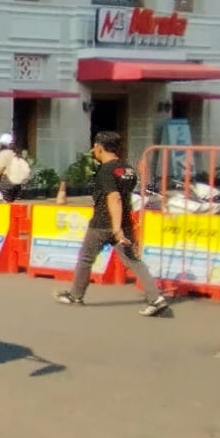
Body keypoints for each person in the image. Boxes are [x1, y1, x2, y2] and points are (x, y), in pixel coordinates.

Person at [55, 131, 169, 316]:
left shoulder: (106, 170)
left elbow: (114, 198)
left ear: (99, 147)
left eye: (95, 147)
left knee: (85, 258)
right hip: (124, 222)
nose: (93, 150)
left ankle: (76, 295)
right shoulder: (128, 170)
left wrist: (115, 229)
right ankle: (155, 298)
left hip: (103, 223)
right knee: (133, 261)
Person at [0, 133, 31, 202]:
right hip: (17, 185)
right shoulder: (16, 153)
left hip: (6, 183)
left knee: (3, 205)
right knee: (11, 204)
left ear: (2, 144)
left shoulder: (4, 153)